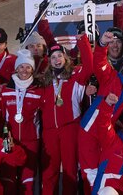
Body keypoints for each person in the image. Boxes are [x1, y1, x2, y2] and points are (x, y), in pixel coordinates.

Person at [78, 33, 123, 193]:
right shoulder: (113, 78)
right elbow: (99, 64)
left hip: (107, 134)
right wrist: (102, 44)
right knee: (90, 175)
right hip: (89, 131)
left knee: (102, 172)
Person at [38, 38, 94, 195]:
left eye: (59, 56)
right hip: (49, 131)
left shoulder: (76, 75)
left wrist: (83, 41)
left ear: (66, 58)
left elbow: (90, 66)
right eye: (53, 57)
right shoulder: (45, 81)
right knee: (49, 171)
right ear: (49, 61)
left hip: (70, 128)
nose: (57, 60)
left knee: (70, 169)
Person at [0, 49, 44, 194]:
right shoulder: (5, 90)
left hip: (31, 140)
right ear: (16, 68)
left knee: (28, 179)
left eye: (28, 67)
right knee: (9, 179)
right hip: (10, 140)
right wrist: (4, 136)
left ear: (32, 69)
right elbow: (2, 116)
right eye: (21, 67)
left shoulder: (39, 90)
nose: (24, 70)